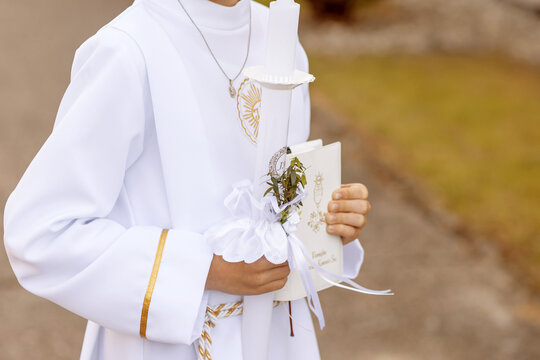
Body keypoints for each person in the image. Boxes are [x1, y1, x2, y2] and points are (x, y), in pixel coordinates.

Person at [3, 0, 372, 359]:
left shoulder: (280, 39)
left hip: (279, 335)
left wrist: (327, 219)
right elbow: (39, 233)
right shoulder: (128, 50)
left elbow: (281, 193)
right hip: (172, 343)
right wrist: (203, 270)